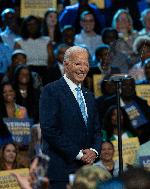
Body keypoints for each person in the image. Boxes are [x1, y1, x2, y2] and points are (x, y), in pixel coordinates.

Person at [39, 46, 102, 189]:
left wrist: (94, 151)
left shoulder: (89, 95)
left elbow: (97, 130)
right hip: (60, 171)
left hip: (86, 173)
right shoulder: (51, 90)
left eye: (86, 64)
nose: (83, 68)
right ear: (66, 65)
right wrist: (79, 154)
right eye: (78, 63)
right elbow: (50, 130)